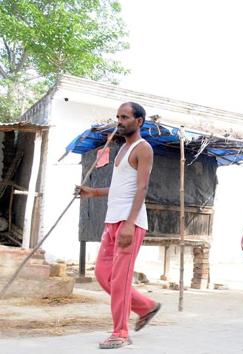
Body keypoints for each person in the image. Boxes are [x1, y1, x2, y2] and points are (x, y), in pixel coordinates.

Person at [77, 102, 160, 349]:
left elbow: (141, 188)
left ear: (139, 121)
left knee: (120, 281)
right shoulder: (123, 149)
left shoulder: (143, 149)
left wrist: (129, 223)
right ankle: (146, 306)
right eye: (118, 117)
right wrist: (93, 192)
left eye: (125, 117)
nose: (119, 121)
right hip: (112, 220)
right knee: (104, 276)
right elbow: (121, 188)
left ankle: (120, 332)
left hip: (129, 223)